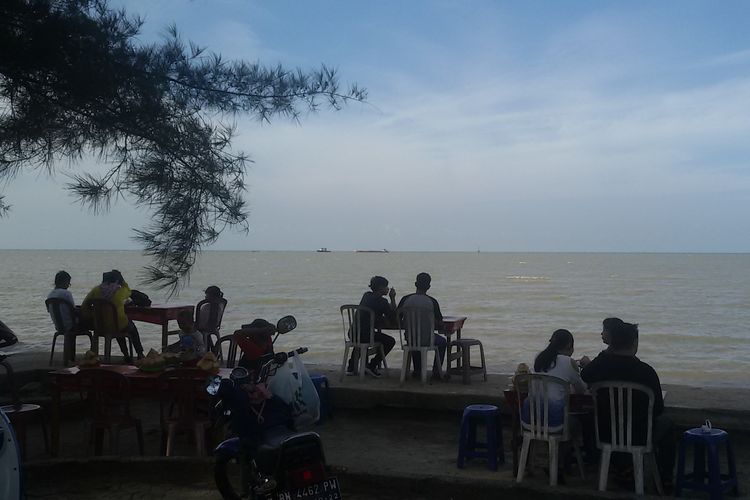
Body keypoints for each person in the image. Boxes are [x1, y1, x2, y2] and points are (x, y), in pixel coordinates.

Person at [581, 321, 675, 488]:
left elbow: (585, 374)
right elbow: (658, 409)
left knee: (592, 415)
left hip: (606, 433)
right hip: (639, 436)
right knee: (668, 423)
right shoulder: (646, 372)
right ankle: (665, 476)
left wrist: (605, 354)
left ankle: (618, 466)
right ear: (634, 343)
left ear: (612, 343)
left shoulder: (601, 366)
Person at [81, 270, 144, 363]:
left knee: (119, 326)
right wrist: (123, 282)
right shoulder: (120, 291)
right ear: (117, 280)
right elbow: (129, 291)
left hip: (99, 326)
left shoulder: (96, 290)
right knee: (130, 328)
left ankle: (126, 354)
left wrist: (90, 316)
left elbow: (84, 305)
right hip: (117, 325)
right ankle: (140, 354)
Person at [346, 276, 397, 378]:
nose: (387, 289)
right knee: (390, 341)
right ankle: (372, 365)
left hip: (352, 332)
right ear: (380, 287)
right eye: (386, 286)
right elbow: (392, 317)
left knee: (360, 339)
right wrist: (392, 298)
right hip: (366, 334)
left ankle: (351, 367)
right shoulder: (383, 302)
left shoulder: (366, 295)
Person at [397, 272, 446, 378]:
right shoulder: (432, 302)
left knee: (415, 339)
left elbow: (397, 318)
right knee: (442, 342)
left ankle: (418, 371)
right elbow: (440, 323)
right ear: (429, 286)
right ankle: (436, 372)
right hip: (427, 339)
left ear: (415, 284)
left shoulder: (405, 299)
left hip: (410, 338)